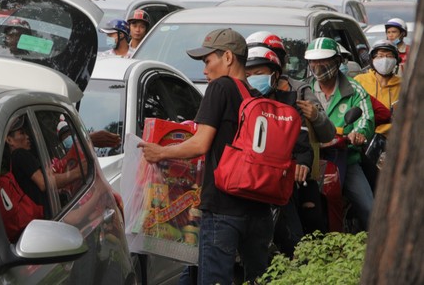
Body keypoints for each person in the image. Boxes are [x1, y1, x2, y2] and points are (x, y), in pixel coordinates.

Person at [139, 28, 274, 285]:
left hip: (224, 208)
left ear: (228, 57)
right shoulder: (256, 98)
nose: (204, 70)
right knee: (258, 280)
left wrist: (161, 152)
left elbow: (200, 144)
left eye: (207, 61)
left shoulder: (220, 88)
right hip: (259, 209)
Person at [244, 45, 316, 256]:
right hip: (246, 184)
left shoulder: (290, 104)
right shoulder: (241, 102)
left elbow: (303, 146)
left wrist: (302, 163)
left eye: (259, 74)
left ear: (275, 75)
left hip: (280, 185)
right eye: (248, 75)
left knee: (297, 239)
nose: (253, 79)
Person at [304, 37, 375, 231]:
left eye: (323, 60)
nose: (317, 66)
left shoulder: (355, 89)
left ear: (336, 61)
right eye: (313, 61)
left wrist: (359, 133)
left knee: (370, 210)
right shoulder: (304, 89)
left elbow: (366, 118)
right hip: (311, 161)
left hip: (346, 159)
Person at [4, 115, 77, 211]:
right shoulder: (20, 154)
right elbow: (44, 183)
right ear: (9, 140)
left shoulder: (12, 162)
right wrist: (78, 172)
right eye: (22, 133)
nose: (27, 137)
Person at [354, 40, 401, 136]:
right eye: (380, 56)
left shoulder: (404, 85)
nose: (385, 60)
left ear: (396, 60)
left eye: (389, 56)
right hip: (363, 137)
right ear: (372, 59)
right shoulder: (359, 81)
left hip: (393, 138)